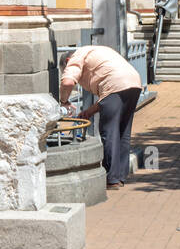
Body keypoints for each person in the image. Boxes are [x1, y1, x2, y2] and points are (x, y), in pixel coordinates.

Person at [59, 44, 143, 189]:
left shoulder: (76, 56)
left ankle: (111, 179)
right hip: (134, 83)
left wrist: (64, 101)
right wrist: (89, 112)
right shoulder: (95, 51)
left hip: (115, 85)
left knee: (108, 132)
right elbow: (109, 98)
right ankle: (119, 177)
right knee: (123, 132)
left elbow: (67, 82)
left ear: (67, 60)